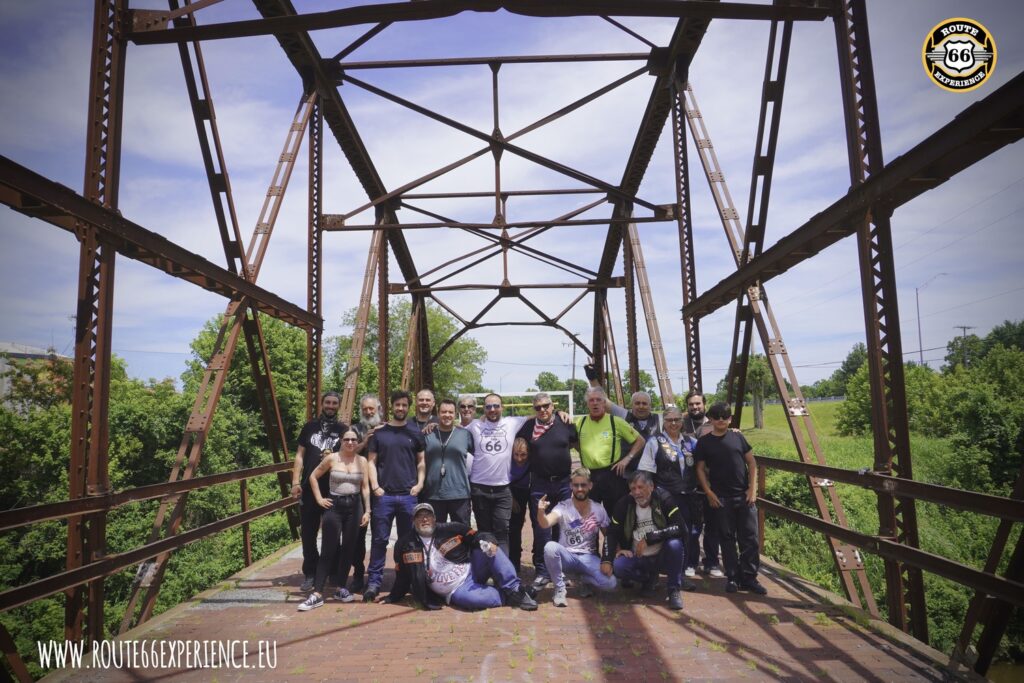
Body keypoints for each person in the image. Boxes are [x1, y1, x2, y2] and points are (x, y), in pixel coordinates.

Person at [379, 503, 538, 611]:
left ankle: (514, 589)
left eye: (428, 515)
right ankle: (511, 596)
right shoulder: (404, 544)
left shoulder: (451, 528)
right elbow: (402, 576)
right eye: (420, 516)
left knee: (491, 549)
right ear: (414, 521)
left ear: (434, 518)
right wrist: (393, 597)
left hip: (472, 569)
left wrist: (489, 541)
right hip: (456, 589)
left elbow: (477, 535)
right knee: (473, 602)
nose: (425, 519)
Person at [694, 402, 767, 596]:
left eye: (725, 416)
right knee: (727, 539)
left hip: (743, 496)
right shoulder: (704, 442)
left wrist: (752, 489)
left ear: (730, 419)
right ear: (710, 418)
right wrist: (709, 493)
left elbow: (751, 462)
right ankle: (733, 577)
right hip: (721, 498)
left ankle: (750, 578)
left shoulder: (738, 437)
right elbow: (699, 469)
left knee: (750, 539)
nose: (720, 420)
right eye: (716, 416)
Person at [298, 429, 371, 610]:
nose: (350, 442)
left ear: (358, 442)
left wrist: (368, 510)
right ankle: (317, 593)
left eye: (354, 439)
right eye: (347, 439)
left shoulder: (362, 461)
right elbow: (313, 477)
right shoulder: (332, 458)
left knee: (348, 548)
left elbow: (365, 488)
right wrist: (319, 499)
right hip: (335, 506)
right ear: (341, 440)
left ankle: (341, 587)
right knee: (328, 549)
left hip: (355, 507)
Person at [364, 390, 426, 602]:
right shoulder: (379, 433)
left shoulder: (415, 432)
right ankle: (373, 582)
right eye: (397, 405)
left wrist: (419, 484)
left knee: (408, 542)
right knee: (380, 540)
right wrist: (375, 487)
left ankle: (406, 580)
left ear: (408, 407)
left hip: (408, 496)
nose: (400, 408)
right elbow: (370, 462)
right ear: (391, 406)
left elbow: (421, 461)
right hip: (385, 496)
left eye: (404, 405)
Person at [515, 392, 578, 588]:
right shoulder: (529, 426)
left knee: (563, 527)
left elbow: (576, 443)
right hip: (540, 484)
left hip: (563, 484)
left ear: (553, 406)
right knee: (542, 528)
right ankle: (542, 571)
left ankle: (560, 570)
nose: (542, 410)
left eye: (546, 406)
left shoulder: (565, 422)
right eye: (538, 407)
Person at [291, 390, 348, 592]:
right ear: (322, 404)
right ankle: (310, 573)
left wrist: (334, 455)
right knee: (308, 533)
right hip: (308, 487)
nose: (331, 406)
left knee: (333, 532)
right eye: (328, 402)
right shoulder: (310, 427)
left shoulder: (343, 429)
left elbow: (350, 455)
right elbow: (299, 456)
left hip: (333, 488)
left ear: (339, 406)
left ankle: (333, 572)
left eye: (334, 403)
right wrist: (295, 482)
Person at [638, 406, 700, 588]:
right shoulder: (654, 442)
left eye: (677, 419)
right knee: (661, 535)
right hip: (664, 498)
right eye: (669, 420)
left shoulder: (691, 442)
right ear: (663, 422)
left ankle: (679, 575)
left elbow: (709, 453)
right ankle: (653, 574)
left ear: (682, 421)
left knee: (685, 534)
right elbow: (645, 471)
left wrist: (732, 431)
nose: (673, 423)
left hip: (687, 497)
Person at [537, 467, 617, 606]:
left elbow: (608, 536)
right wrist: (540, 511)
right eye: (576, 485)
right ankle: (560, 589)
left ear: (590, 486)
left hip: (589, 557)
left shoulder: (598, 509)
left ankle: (585, 579)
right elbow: (545, 523)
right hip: (567, 556)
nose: (580, 489)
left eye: (583, 485)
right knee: (550, 547)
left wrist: (613, 555)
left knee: (611, 583)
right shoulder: (563, 507)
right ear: (571, 486)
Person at [609, 471, 687, 610]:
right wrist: (614, 553)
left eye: (641, 487)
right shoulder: (624, 504)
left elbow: (681, 528)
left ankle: (674, 590)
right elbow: (612, 533)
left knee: (675, 544)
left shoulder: (664, 498)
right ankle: (648, 578)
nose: (637, 492)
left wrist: (649, 538)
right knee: (618, 566)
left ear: (651, 487)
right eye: (633, 489)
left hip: (661, 555)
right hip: (638, 556)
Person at [465, 393, 529, 557]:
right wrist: (433, 425)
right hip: (480, 488)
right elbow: (451, 427)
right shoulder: (474, 425)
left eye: (496, 406)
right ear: (483, 409)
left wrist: (558, 414)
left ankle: (503, 574)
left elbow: (535, 417)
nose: (492, 409)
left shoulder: (512, 422)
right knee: (485, 533)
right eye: (488, 407)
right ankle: (486, 571)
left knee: (502, 532)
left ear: (502, 407)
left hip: (503, 489)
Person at [574, 386, 646, 508]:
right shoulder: (579, 423)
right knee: (590, 515)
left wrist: (627, 458)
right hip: (589, 475)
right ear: (587, 403)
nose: (595, 403)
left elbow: (640, 441)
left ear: (604, 402)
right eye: (591, 400)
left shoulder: (616, 422)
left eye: (598, 400)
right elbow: (571, 441)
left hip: (612, 474)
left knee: (615, 515)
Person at [682, 390, 722, 578]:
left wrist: (735, 430)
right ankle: (691, 562)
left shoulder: (714, 422)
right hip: (690, 483)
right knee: (693, 526)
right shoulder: (681, 424)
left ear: (704, 404)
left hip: (713, 483)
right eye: (691, 404)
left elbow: (728, 437)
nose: (695, 407)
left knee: (713, 526)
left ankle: (712, 562)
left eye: (698, 404)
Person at [349, 392, 383, 592]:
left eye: (372, 408)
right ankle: (358, 573)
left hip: (381, 485)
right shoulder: (354, 429)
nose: (369, 412)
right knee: (358, 533)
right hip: (360, 486)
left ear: (378, 409)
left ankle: (378, 573)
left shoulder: (388, 427)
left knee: (380, 533)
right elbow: (347, 454)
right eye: (365, 409)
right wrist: (364, 441)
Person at [422, 398, 473, 524]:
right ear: (438, 414)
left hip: (460, 494)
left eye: (450, 412)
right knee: (435, 534)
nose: (447, 415)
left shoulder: (465, 434)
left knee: (462, 534)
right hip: (433, 494)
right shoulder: (427, 434)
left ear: (455, 414)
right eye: (444, 412)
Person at [507, 438, 533, 575]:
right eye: (516, 454)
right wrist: (511, 499)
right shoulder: (508, 461)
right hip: (514, 492)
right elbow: (503, 479)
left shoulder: (533, 461)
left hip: (530, 490)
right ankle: (514, 564)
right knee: (514, 530)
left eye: (523, 454)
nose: (519, 458)